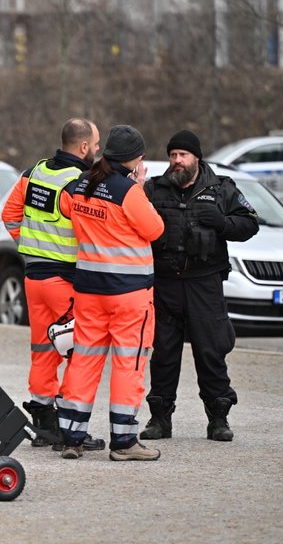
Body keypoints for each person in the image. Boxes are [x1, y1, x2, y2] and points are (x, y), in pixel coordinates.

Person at [140, 130, 259, 443]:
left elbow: (249, 224)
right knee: (164, 354)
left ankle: (218, 419)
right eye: (173, 155)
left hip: (204, 284)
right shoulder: (153, 188)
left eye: (183, 155)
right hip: (165, 284)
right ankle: (159, 419)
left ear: (197, 157)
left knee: (211, 352)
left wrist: (221, 222)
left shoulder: (221, 189)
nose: (177, 161)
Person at [56, 125, 165, 460]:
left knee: (85, 361)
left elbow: (64, 209)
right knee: (128, 364)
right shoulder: (128, 191)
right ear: (136, 159)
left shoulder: (78, 185)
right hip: (129, 295)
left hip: (90, 292)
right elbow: (155, 230)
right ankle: (124, 442)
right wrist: (140, 190)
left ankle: (72, 437)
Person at [1, 117, 106, 451]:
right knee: (78, 352)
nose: (99, 150)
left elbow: (9, 216)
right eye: (97, 144)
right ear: (84, 146)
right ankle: (69, 426)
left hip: (34, 278)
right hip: (66, 281)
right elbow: (90, 232)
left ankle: (43, 422)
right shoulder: (79, 183)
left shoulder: (35, 172)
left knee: (44, 349)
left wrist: (31, 247)